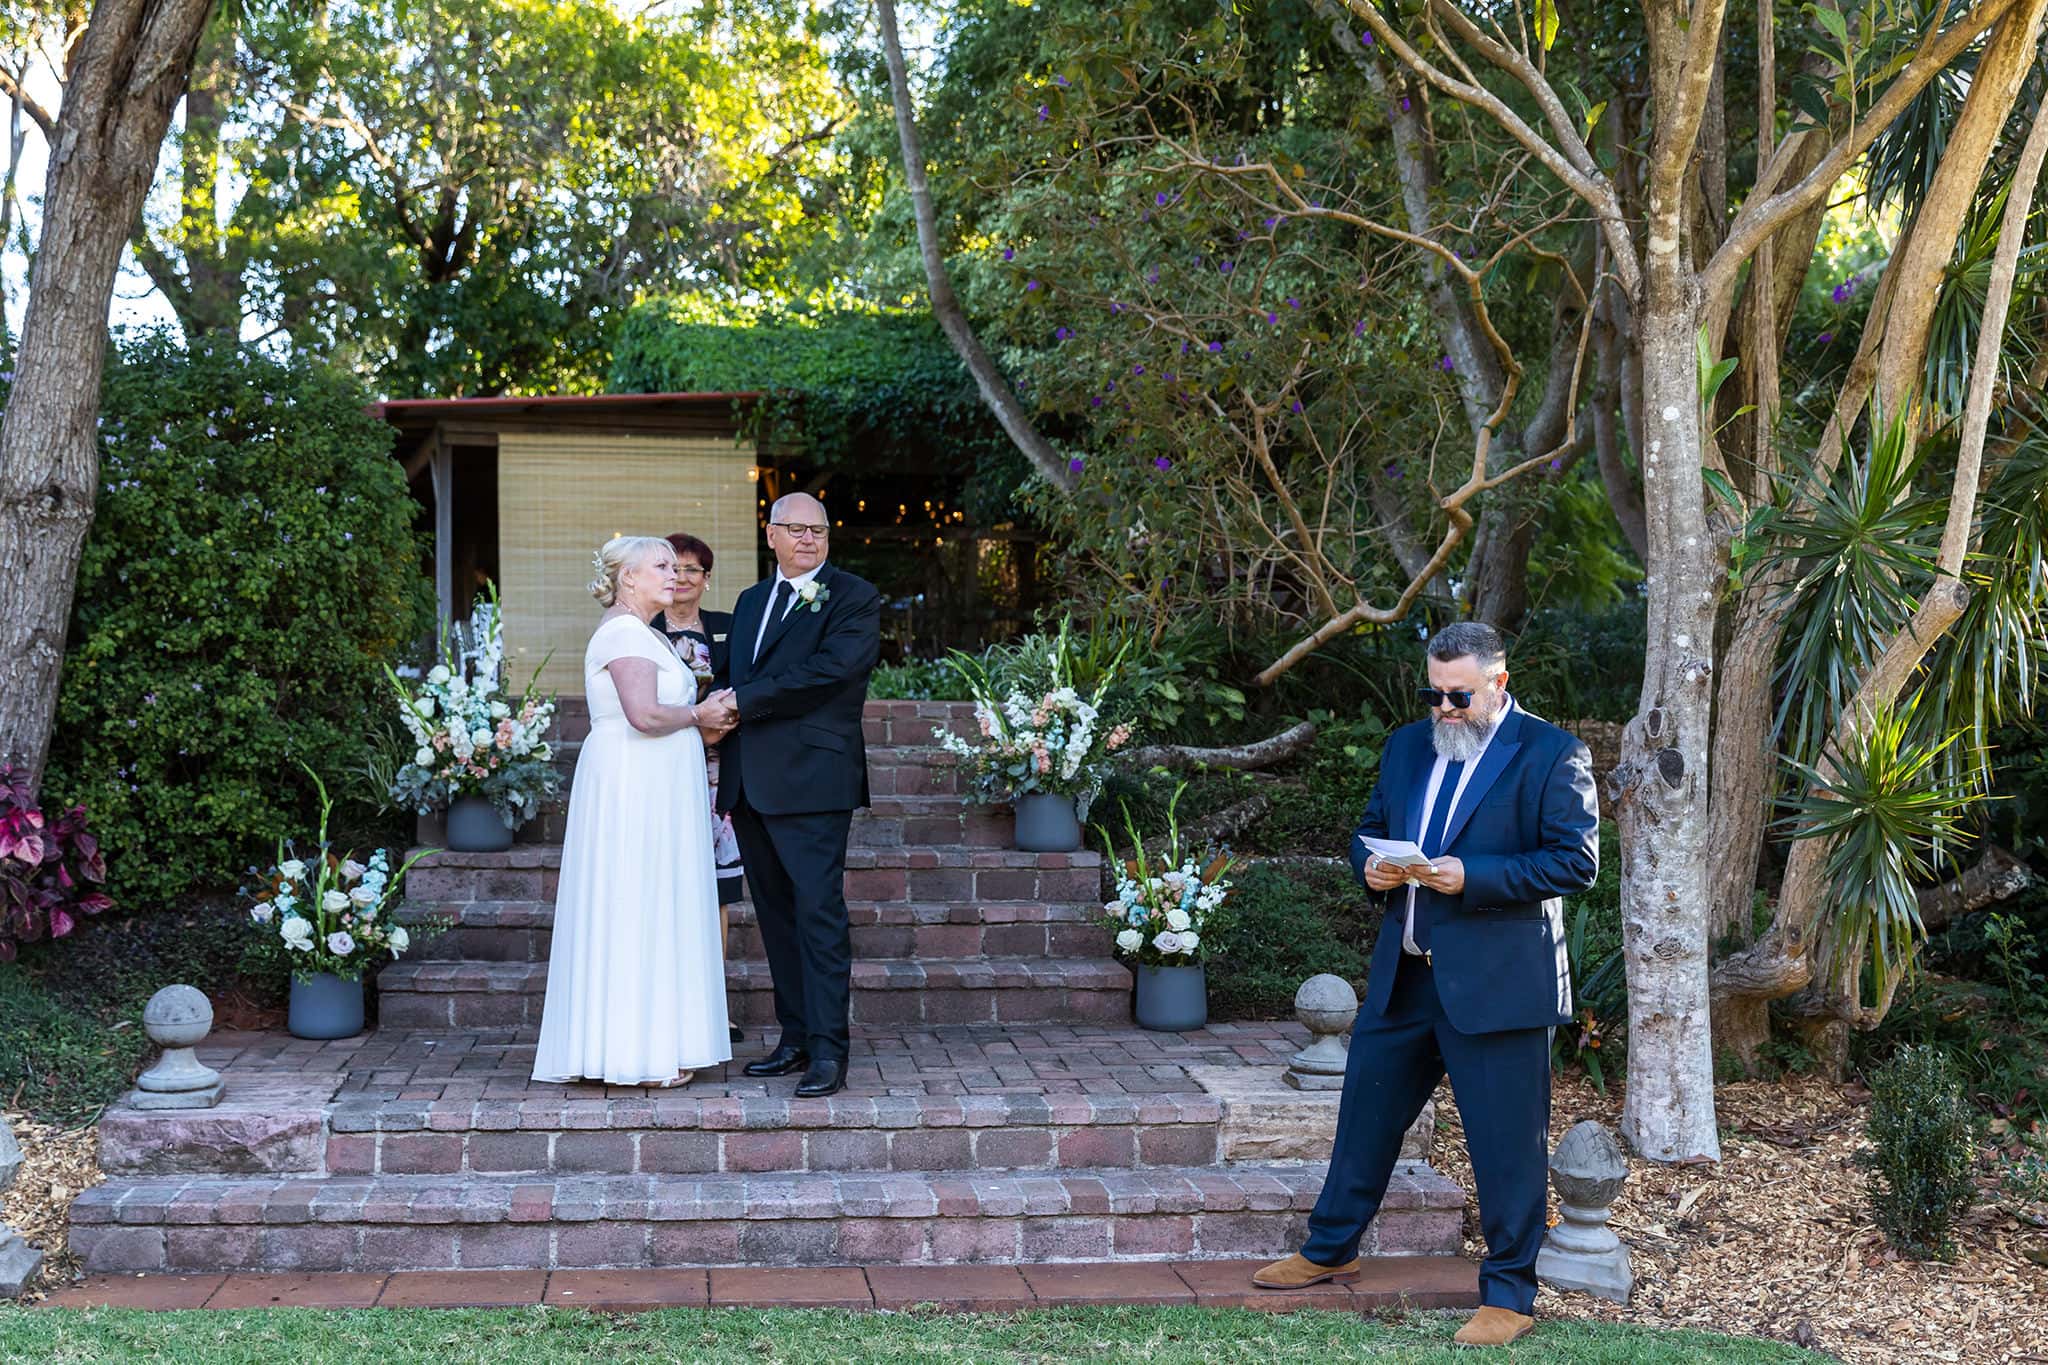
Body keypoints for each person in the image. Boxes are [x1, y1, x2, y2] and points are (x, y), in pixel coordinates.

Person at [1252, 621, 1597, 1349]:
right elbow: (1371, 826)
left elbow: (1575, 862)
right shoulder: (1409, 745)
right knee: (1364, 1119)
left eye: (1458, 695)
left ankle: (1509, 1292)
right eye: (1433, 693)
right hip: (1405, 973)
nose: (1442, 708)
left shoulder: (1553, 753)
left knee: (1506, 1146)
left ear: (1499, 683)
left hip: (1499, 987)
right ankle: (1329, 1247)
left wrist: (1473, 876)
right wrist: (1369, 865)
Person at [695, 492, 880, 1099]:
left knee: (818, 915)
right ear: (770, 534)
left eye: (819, 530)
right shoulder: (750, 602)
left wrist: (741, 702)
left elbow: (831, 673)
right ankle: (795, 1037)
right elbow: (732, 676)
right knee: (775, 917)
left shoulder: (852, 596)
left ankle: (830, 1049)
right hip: (752, 784)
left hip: (813, 781)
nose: (808, 539)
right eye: (795, 529)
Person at [531, 535, 732, 1088]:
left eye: (677, 566)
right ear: (628, 578)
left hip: (656, 782)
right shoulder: (623, 633)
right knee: (636, 901)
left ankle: (651, 1042)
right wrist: (700, 713)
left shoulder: (644, 634)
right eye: (662, 566)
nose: (675, 575)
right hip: (633, 784)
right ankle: (635, 1053)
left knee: (651, 901)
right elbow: (643, 715)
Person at [651, 531, 746, 1045]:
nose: (682, 579)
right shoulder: (642, 630)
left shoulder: (732, 629)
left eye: (693, 570)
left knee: (718, 887)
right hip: (664, 764)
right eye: (673, 568)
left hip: (716, 769)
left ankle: (713, 1001)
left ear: (707, 580)